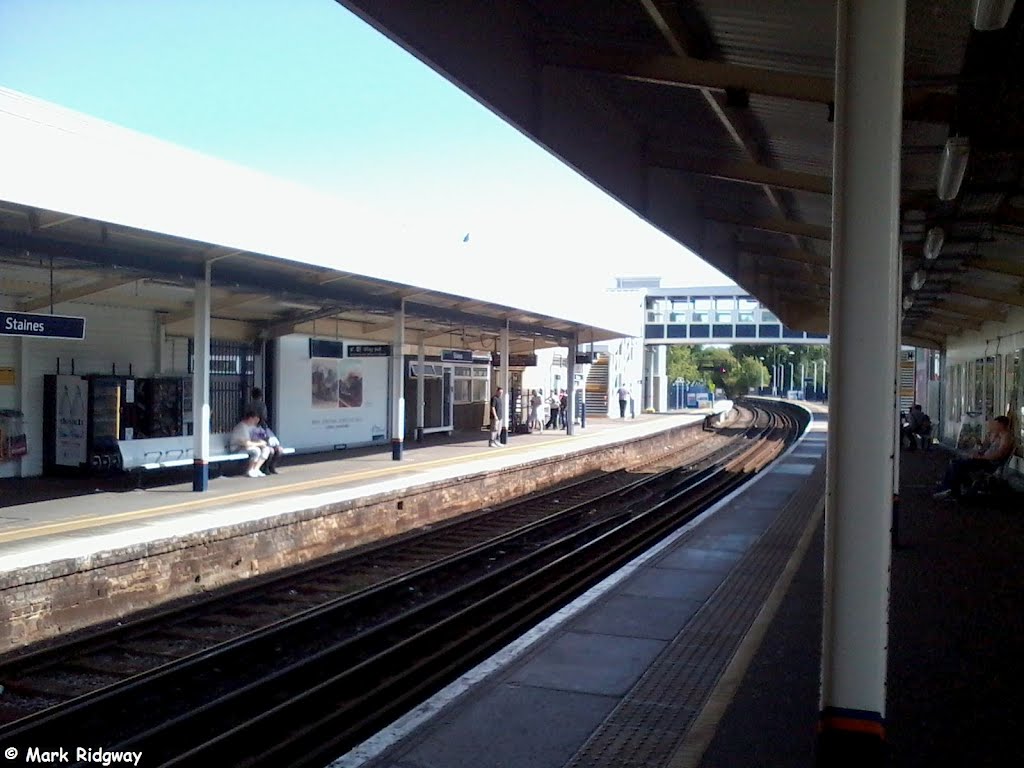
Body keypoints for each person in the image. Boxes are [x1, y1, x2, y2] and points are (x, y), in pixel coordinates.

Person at [934, 415, 1014, 499]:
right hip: (985, 460)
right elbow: (984, 448)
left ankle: (952, 490)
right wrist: (982, 443)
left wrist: (981, 457)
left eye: (996, 424)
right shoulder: (998, 435)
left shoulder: (1006, 437)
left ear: (1001, 425)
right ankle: (948, 486)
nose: (994, 426)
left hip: (989, 463)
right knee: (956, 461)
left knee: (957, 464)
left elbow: (999, 454)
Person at [246, 387, 282, 474]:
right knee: (275, 448)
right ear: (260, 396)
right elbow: (264, 416)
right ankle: (271, 467)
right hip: (262, 428)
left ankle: (265, 468)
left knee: (269, 447)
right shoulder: (262, 405)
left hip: (255, 430)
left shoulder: (248, 405)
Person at [230, 410, 272, 478]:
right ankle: (250, 470)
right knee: (256, 451)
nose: (256, 422)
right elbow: (246, 443)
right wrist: (259, 444)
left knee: (266, 449)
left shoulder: (252, 426)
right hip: (237, 448)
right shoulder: (242, 427)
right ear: (250, 418)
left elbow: (255, 439)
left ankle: (256, 469)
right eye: (255, 420)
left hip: (246, 447)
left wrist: (261, 442)